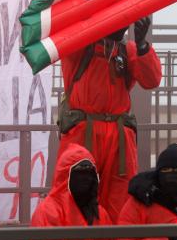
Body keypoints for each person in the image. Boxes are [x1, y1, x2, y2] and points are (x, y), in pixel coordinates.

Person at [56, 18, 162, 221]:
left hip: (118, 137)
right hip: (84, 133)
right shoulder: (80, 44)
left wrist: (142, 46)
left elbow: (152, 80)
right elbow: (62, 33)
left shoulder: (127, 50)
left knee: (120, 201)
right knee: (73, 195)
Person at [28, 143, 114, 240]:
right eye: (79, 173)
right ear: (65, 177)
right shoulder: (48, 211)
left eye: (89, 173)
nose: (86, 179)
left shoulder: (99, 213)